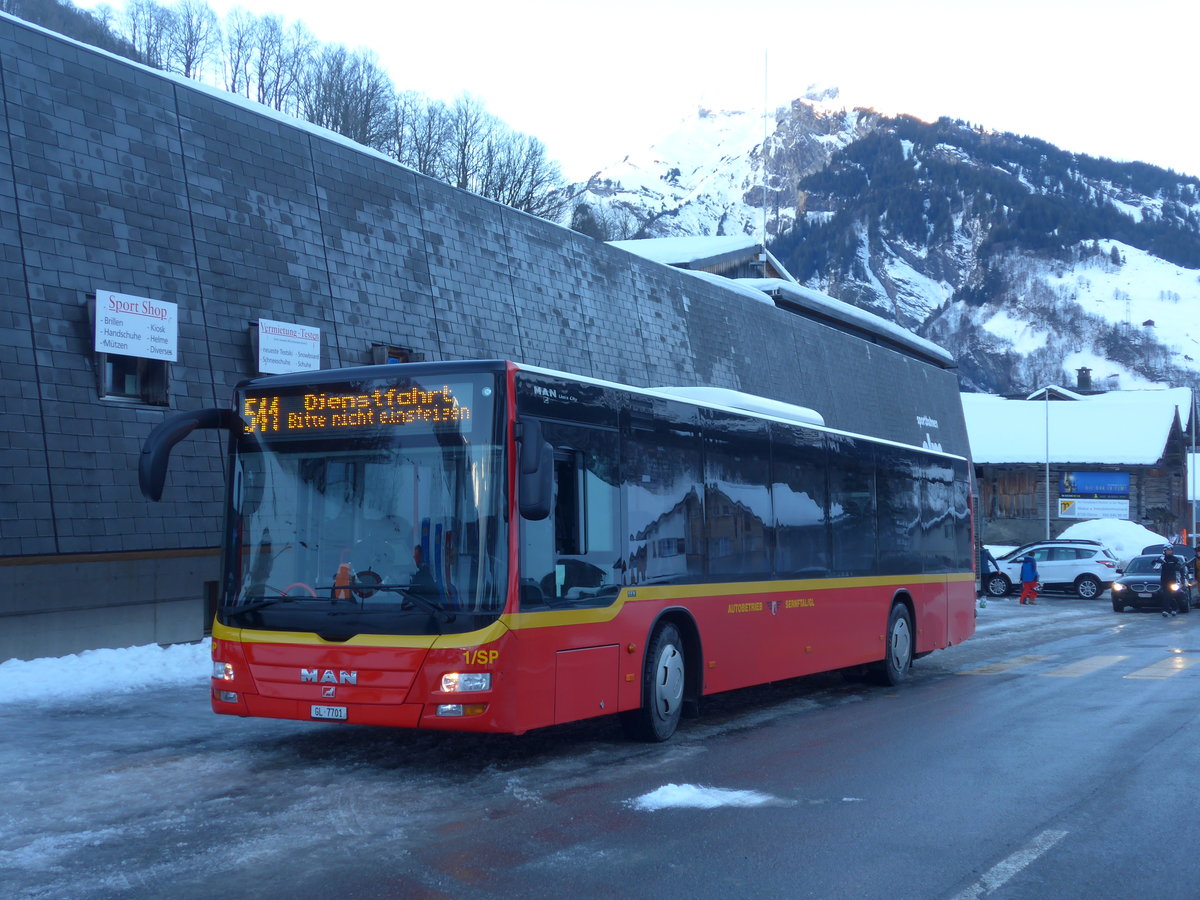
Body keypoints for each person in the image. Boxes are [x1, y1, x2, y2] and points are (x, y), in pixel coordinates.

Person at [1158, 545, 1185, 617]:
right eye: (1167, 550)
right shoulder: (1162, 558)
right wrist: (1158, 561)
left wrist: (1182, 578)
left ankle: (1165, 610)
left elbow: (1180, 567)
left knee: (1168, 594)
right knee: (1166, 595)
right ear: (1164, 551)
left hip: (1172, 580)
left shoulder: (1175, 559)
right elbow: (1154, 564)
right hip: (1164, 579)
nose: (1169, 551)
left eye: (1170, 550)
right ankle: (1174, 607)